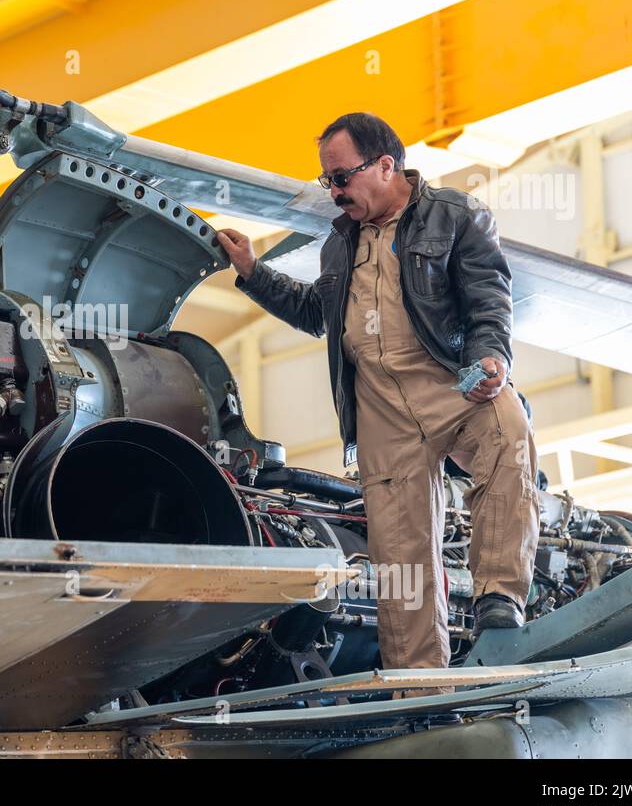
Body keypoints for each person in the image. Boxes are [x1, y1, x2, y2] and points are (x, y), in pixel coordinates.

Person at [217, 112, 540, 676]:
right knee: (401, 561)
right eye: (328, 182)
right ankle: (419, 691)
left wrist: (492, 358)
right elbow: (317, 315)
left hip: (451, 384)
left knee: (508, 431)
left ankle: (499, 597)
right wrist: (251, 270)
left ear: (386, 164)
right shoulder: (338, 246)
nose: (335, 192)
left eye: (341, 177)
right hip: (382, 411)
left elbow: (489, 296)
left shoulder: (456, 215)